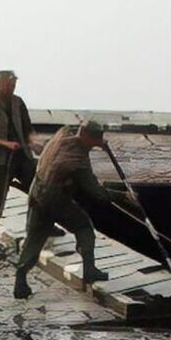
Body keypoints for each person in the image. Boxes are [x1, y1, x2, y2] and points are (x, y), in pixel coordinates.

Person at [14, 121, 133, 300]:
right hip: (55, 200)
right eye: (94, 139)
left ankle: (20, 279)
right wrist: (123, 196)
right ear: (85, 136)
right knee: (84, 226)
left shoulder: (62, 138)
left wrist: (101, 146)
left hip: (37, 194)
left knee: (34, 239)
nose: (96, 142)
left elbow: (70, 130)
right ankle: (89, 270)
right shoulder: (77, 160)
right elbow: (96, 192)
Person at [0, 69, 40, 254]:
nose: (11, 88)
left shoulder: (18, 103)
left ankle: (43, 226)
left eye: (14, 85)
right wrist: (5, 143)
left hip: (22, 156)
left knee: (38, 191)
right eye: (8, 85)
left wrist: (35, 143)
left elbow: (28, 128)